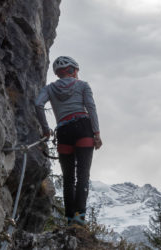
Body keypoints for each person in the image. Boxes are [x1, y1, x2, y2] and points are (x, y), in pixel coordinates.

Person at [35, 56, 102, 225]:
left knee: (68, 178)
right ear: (72, 70)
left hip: (63, 131)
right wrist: (97, 133)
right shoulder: (83, 85)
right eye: (76, 70)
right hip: (83, 128)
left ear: (58, 73)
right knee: (83, 175)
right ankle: (79, 219)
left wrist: (45, 128)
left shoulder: (49, 88)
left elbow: (38, 104)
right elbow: (91, 108)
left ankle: (69, 219)